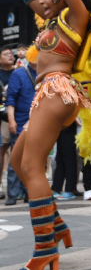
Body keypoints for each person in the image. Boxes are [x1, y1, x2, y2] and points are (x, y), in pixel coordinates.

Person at [11, 0, 91, 270]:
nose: (44, 0)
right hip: (45, 95)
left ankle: (44, 249)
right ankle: (56, 225)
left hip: (57, 91)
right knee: (19, 161)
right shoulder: (50, 18)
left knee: (33, 166)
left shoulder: (76, 17)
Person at [5, 56, 36, 205]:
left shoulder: (46, 73)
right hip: (20, 123)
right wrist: (11, 120)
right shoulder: (18, 74)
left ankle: (30, 192)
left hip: (38, 124)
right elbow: (10, 100)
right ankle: (11, 195)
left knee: (34, 160)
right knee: (15, 160)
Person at [0, 45, 15, 200]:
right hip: (3, 116)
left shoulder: (19, 71)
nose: (10, 56)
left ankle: (18, 188)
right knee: (3, 148)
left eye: (11, 54)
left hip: (20, 114)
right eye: (6, 54)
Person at [52, 121, 79, 200]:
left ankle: (70, 190)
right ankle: (56, 188)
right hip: (61, 124)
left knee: (69, 158)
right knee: (59, 159)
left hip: (69, 122)